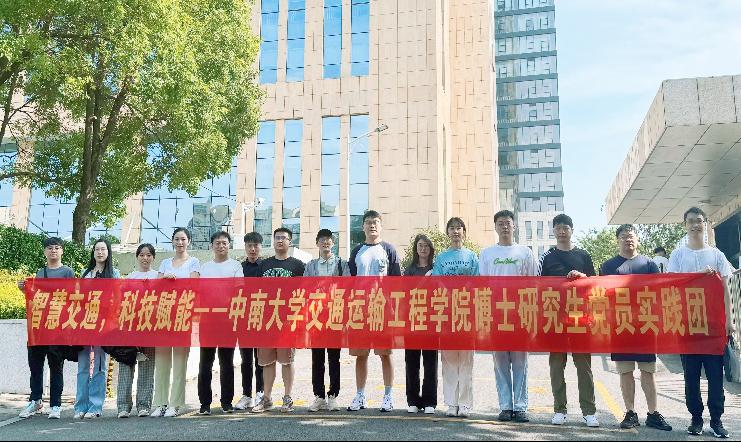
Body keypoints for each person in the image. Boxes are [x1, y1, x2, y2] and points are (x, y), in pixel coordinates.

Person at [669, 207, 735, 438]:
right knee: (691, 376)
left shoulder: (717, 255)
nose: (695, 225)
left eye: (699, 221)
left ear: (705, 223)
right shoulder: (678, 255)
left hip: (714, 326)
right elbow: (672, 285)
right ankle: (696, 418)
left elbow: (726, 290)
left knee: (716, 375)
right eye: (691, 221)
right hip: (688, 325)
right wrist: (698, 275)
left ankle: (716, 420)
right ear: (685, 225)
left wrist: (729, 320)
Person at [600, 225, 672, 431]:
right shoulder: (608, 266)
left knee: (648, 371)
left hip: (645, 326)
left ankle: (653, 413)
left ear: (637, 240)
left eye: (631, 236)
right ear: (618, 240)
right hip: (620, 326)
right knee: (625, 372)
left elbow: (659, 293)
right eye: (623, 236)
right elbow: (601, 294)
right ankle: (630, 413)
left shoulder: (649, 264)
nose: (628, 239)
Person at [539, 214, 599, 428]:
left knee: (584, 367)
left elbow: (595, 284)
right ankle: (559, 409)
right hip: (555, 319)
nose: (562, 231)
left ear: (572, 230)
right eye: (558, 228)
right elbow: (539, 287)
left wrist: (582, 277)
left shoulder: (583, 255)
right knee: (557, 367)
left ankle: (589, 412)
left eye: (566, 227)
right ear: (553, 231)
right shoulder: (546, 257)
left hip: (580, 319)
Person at [479, 210, 538, 423]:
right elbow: (482, 286)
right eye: (501, 223)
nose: (505, 226)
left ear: (514, 226)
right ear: (495, 227)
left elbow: (533, 283)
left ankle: (520, 407)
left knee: (521, 362)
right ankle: (505, 406)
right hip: (496, 315)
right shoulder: (486, 253)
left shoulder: (525, 252)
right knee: (500, 362)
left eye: (508, 223)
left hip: (520, 314)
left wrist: (532, 316)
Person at [347, 210, 402, 413]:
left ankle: (388, 396)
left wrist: (394, 310)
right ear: (362, 226)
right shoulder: (357, 251)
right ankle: (360, 395)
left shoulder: (389, 250)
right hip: (360, 310)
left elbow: (397, 283)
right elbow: (349, 281)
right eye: (368, 222)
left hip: (382, 309)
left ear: (381, 225)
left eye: (376, 222)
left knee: (385, 354)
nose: (372, 225)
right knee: (361, 355)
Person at [18, 237, 75, 420]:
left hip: (57, 328)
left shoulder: (68, 272)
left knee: (56, 366)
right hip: (39, 328)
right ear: (45, 251)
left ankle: (56, 405)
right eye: (50, 248)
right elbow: (36, 298)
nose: (53, 251)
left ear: (62, 251)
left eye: (57, 248)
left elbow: (73, 297)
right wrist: (24, 289)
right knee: (35, 366)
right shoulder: (40, 273)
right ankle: (35, 400)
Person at [251, 228, 306, 413]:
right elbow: (256, 291)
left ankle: (287, 397)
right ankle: (266, 398)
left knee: (287, 361)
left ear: (290, 241)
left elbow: (303, 293)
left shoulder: (298, 266)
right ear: (273, 241)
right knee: (267, 362)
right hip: (267, 320)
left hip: (287, 321)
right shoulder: (264, 265)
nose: (280, 240)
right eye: (277, 237)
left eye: (284, 238)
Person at [433, 219, 479, 418]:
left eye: (459, 228)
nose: (455, 231)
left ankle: (465, 404)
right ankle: (451, 403)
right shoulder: (441, 258)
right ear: (448, 233)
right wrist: (450, 294)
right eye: (451, 228)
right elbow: (437, 281)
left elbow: (477, 280)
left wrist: (463, 293)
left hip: (467, 313)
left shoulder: (472, 256)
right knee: (449, 360)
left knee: (466, 360)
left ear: (464, 232)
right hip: (447, 313)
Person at [151, 228, 200, 418]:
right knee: (162, 362)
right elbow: (156, 286)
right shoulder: (165, 263)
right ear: (172, 241)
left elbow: (194, 285)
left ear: (189, 241)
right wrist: (164, 278)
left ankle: (175, 403)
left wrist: (175, 281)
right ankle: (160, 403)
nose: (180, 242)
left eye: (183, 239)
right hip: (164, 314)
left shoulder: (194, 261)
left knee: (180, 361)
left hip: (182, 314)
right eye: (177, 239)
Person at [197, 232, 243, 415]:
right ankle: (205, 404)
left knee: (226, 362)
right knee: (205, 363)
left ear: (229, 245)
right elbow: (199, 293)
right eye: (217, 243)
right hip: (207, 321)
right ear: (212, 246)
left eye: (224, 243)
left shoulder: (235, 266)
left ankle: (226, 402)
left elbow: (240, 291)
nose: (221, 246)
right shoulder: (205, 267)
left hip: (227, 321)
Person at [304, 229, 350, 412]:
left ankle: (333, 396)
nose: (325, 242)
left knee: (334, 358)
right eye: (322, 240)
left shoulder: (342, 264)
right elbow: (306, 289)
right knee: (317, 359)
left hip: (335, 317)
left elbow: (347, 288)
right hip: (316, 317)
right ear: (317, 243)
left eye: (328, 240)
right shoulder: (311, 266)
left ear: (333, 243)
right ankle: (319, 396)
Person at [76, 239, 121, 419]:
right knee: (83, 366)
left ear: (108, 252)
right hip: (85, 324)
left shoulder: (114, 274)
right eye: (97, 249)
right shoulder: (85, 273)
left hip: (104, 326)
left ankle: (95, 406)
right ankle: (80, 406)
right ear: (93, 252)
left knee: (100, 367)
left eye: (103, 249)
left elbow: (117, 300)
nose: (100, 252)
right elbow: (78, 297)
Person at [117, 244, 159, 418]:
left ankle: (144, 405)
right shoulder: (130, 278)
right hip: (130, 328)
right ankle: (123, 406)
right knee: (126, 365)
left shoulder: (158, 276)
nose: (145, 258)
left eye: (148, 255)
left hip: (150, 327)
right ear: (137, 257)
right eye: (142, 255)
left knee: (147, 367)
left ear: (153, 258)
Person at [404, 234, 437, 415]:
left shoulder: (436, 268)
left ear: (430, 249)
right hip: (412, 320)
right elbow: (405, 293)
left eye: (426, 246)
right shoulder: (410, 270)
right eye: (420, 245)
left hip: (431, 321)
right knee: (412, 362)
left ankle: (430, 401)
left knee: (430, 363)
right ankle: (413, 400)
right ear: (416, 249)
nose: (423, 248)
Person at [235, 232, 265, 411]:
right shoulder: (239, 268)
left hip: (262, 319)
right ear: (245, 247)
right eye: (249, 246)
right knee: (245, 359)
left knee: (260, 359)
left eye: (256, 245)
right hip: (243, 318)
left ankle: (260, 393)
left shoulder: (266, 267)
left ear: (261, 247)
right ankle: (247, 395)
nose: (253, 249)